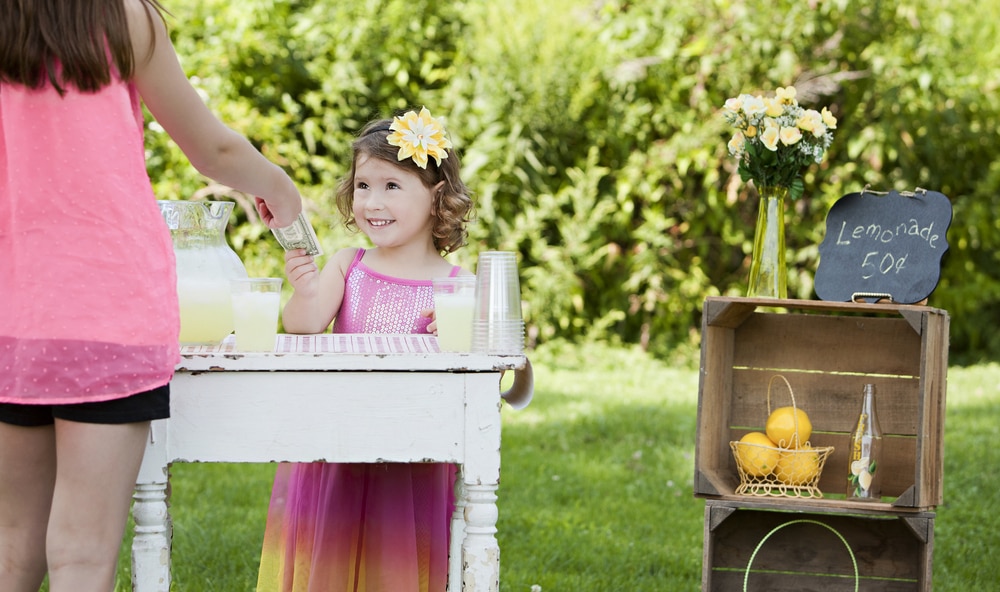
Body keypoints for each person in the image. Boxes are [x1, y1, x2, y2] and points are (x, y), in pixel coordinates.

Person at [0, 1, 302, 590]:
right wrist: (278, 187)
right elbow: (212, 150)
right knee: (82, 555)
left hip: (13, 316)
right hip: (110, 316)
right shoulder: (127, 18)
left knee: (11, 549)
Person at [256, 107, 475, 592]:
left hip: (413, 463)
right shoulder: (347, 265)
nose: (373, 201)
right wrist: (306, 289)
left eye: (392, 186)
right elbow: (303, 325)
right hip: (338, 447)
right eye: (363, 186)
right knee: (331, 561)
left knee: (394, 565)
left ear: (438, 197)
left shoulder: (460, 289)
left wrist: (470, 327)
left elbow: (490, 369)